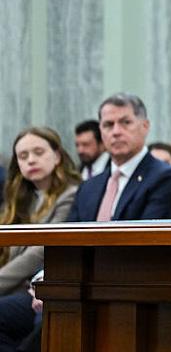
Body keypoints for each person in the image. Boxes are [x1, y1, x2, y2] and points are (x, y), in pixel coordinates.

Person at [0, 128, 80, 352]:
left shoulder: (72, 195)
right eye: (23, 156)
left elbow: (42, 250)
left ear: (57, 156)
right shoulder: (22, 199)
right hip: (16, 287)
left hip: (41, 287)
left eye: (38, 152)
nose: (31, 160)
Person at [67, 93, 171, 222]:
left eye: (126, 123)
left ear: (145, 126)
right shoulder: (89, 187)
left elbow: (149, 236)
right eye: (108, 125)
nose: (116, 132)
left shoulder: (165, 178)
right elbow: (69, 237)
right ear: (100, 131)